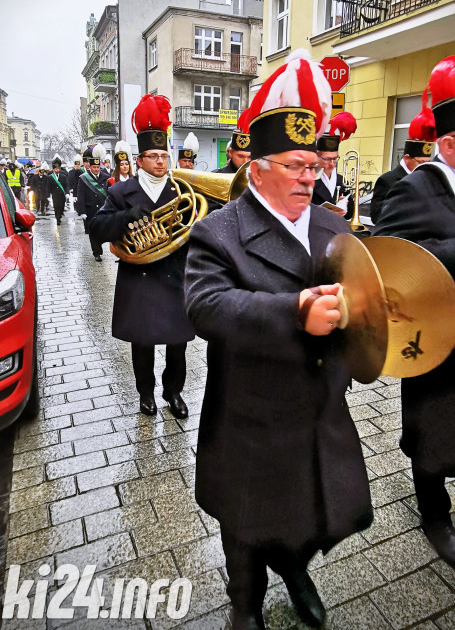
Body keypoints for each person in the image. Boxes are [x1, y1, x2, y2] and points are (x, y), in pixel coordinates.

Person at [185, 51, 373, 630]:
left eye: (313, 166)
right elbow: (206, 306)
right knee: (243, 526)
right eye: (294, 166)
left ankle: (295, 571)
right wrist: (294, 311)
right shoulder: (218, 232)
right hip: (249, 416)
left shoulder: (332, 224)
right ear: (258, 167)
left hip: (316, 412)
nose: (307, 178)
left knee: (304, 512)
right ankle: (245, 604)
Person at [375, 55, 455, 567]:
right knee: (434, 432)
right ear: (448, 144)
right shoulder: (416, 187)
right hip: (436, 341)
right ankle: (434, 514)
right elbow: (388, 257)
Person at [91, 94, 192, 419]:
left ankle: (173, 391)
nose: (161, 162)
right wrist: (126, 218)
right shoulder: (121, 193)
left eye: (165, 155)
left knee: (178, 345)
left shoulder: (181, 190)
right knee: (142, 344)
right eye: (153, 156)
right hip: (140, 278)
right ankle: (145, 393)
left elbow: (194, 228)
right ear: (140, 159)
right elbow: (96, 227)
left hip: (175, 277)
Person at [370, 112, 434, 224]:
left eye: (427, 162)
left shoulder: (427, 180)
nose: (424, 166)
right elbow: (376, 216)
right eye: (420, 162)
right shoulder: (387, 180)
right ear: (407, 158)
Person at [312, 112, 356, 218]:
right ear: (317, 157)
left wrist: (346, 207)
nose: (332, 164)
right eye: (327, 159)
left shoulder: (341, 180)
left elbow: (350, 214)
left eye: (335, 159)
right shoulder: (310, 179)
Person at [75, 144, 108, 261]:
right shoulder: (83, 178)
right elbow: (81, 196)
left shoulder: (105, 177)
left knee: (102, 231)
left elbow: (109, 194)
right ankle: (96, 253)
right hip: (90, 210)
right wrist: (82, 211)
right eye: (94, 167)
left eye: (98, 167)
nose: (96, 169)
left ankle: (99, 247)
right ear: (90, 167)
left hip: (103, 210)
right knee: (93, 232)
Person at [47, 158, 69, 225]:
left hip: (62, 194)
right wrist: (48, 195)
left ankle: (60, 215)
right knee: (56, 207)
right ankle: (58, 219)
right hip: (55, 194)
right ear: (53, 169)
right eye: (55, 169)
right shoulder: (50, 177)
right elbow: (48, 187)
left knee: (61, 206)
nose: (57, 170)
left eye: (58, 169)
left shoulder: (63, 176)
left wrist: (67, 193)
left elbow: (66, 185)